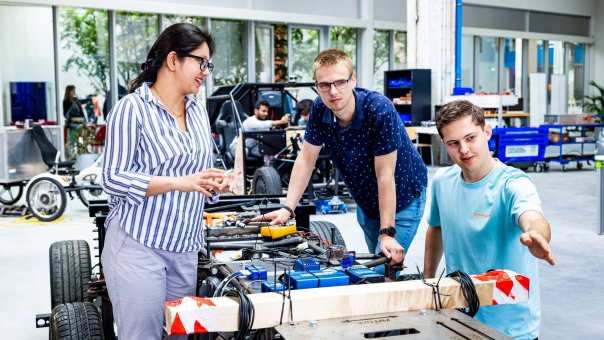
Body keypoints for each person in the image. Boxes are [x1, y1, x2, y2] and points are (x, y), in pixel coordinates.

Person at [101, 23, 230, 339]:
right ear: (173, 60)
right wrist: (178, 182)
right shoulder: (132, 110)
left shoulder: (197, 110)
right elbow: (113, 178)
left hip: (185, 248)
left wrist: (215, 182)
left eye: (208, 64)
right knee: (142, 335)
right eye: (200, 62)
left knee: (179, 335)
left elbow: (199, 172)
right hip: (138, 246)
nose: (205, 71)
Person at [256, 49, 427, 265]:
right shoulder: (320, 108)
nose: (333, 92)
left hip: (404, 196)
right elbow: (306, 158)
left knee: (382, 268)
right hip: (367, 202)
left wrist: (387, 232)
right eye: (325, 85)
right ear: (317, 86)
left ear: (353, 80)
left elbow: (385, 175)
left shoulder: (379, 110)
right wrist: (288, 207)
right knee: (375, 267)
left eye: (340, 82)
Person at [424, 100, 555, 339]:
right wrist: (428, 281)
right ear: (444, 144)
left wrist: (537, 234)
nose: (464, 149)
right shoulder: (442, 181)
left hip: (511, 327)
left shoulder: (513, 183)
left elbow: (532, 216)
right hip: (460, 316)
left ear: (487, 132)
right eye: (454, 143)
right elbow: (436, 228)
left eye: (470, 138)